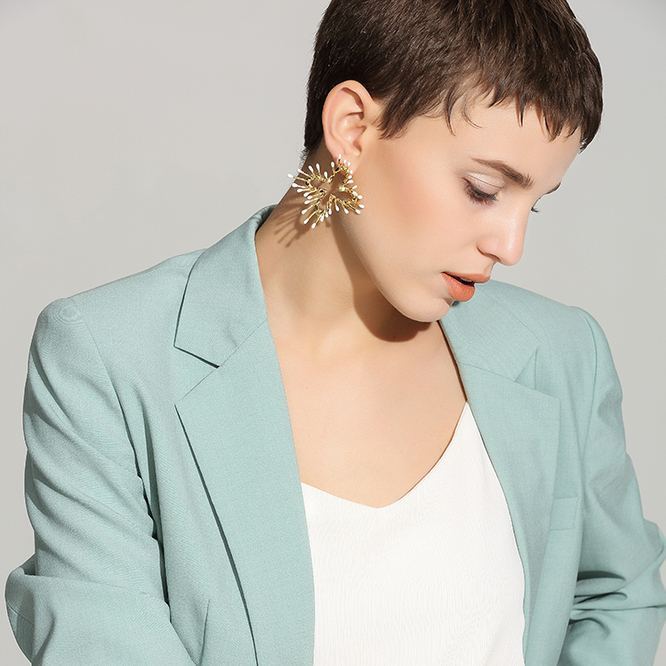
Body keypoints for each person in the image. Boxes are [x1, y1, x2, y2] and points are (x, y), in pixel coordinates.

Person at [5, 0, 666, 664]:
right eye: (483, 189)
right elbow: (101, 634)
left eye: (535, 205)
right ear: (353, 126)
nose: (510, 245)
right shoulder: (112, 358)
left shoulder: (560, 355)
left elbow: (617, 595)